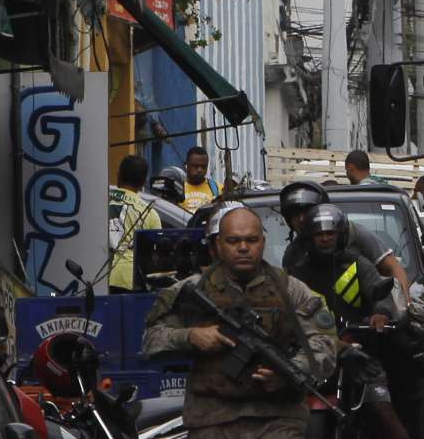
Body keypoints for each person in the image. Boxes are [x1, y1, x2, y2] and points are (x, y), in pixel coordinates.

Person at [141, 207, 337, 439]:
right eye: (233, 241)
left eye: (251, 240)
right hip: (211, 417)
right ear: (218, 245)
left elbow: (325, 341)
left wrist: (292, 370)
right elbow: (151, 340)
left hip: (278, 417)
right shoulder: (191, 290)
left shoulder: (291, 290)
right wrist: (190, 336)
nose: (243, 248)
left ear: (263, 243)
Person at [287, 204, 409, 439]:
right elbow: (288, 305)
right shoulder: (298, 271)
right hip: (315, 351)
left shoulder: (357, 263)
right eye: (319, 234)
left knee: (382, 409)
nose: (324, 239)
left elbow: (378, 289)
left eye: (329, 233)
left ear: (340, 235)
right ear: (309, 238)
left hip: (359, 350)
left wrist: (380, 313)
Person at [279, 181, 412, 295]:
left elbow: (392, 267)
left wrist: (405, 305)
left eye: (307, 211)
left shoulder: (355, 234)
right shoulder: (294, 254)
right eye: (295, 215)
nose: (301, 219)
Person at [109, 155, 161, 294]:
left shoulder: (100, 199)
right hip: (130, 278)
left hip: (98, 275)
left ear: (118, 175)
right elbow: (154, 254)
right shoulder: (150, 213)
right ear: (144, 182)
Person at [182, 146, 221, 213]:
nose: (200, 170)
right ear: (186, 165)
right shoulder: (178, 188)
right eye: (195, 166)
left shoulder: (217, 189)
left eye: (203, 166)